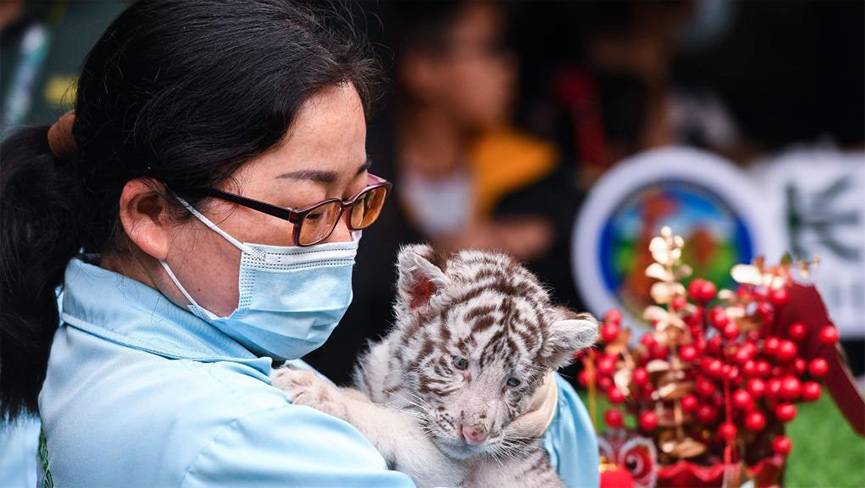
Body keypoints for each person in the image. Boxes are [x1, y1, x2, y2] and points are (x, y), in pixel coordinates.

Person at [0, 1, 597, 487]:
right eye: (308, 209)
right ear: (152, 214)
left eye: (359, 199)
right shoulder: (250, 440)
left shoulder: (79, 317)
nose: (344, 240)